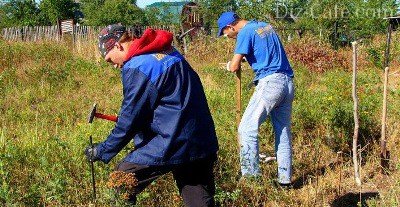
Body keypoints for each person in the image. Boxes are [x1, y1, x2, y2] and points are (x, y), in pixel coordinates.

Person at [85, 24, 219, 206]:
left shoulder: (138, 66)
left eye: (110, 60)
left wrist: (102, 150)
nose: (115, 65)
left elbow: (129, 121)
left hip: (173, 141)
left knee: (121, 181)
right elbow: (172, 102)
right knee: (198, 200)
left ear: (117, 46)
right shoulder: (169, 52)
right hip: (201, 138)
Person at [217, 12, 294, 187]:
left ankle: (251, 181)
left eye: (225, 33)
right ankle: (285, 181)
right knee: (282, 133)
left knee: (246, 129)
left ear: (230, 26)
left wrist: (230, 65)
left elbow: (234, 65)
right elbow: (264, 51)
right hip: (287, 82)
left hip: (270, 83)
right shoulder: (265, 26)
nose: (226, 37)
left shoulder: (244, 32)